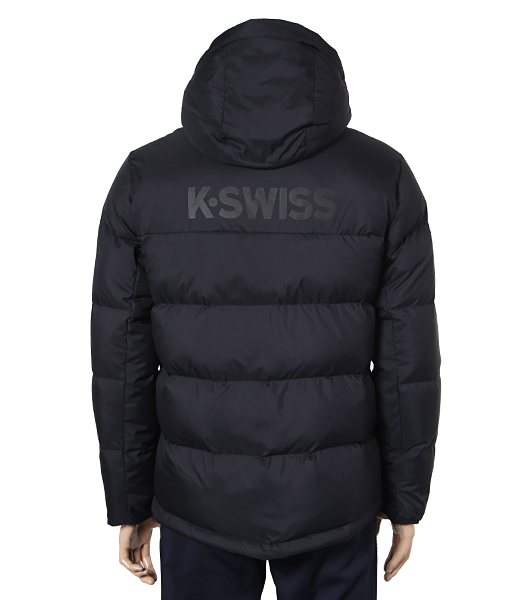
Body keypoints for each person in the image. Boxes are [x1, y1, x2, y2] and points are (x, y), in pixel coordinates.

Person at [90, 18, 441, 599]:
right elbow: (408, 359)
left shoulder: (146, 179)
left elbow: (121, 357)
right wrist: (405, 499)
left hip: (199, 500)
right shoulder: (381, 177)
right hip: (332, 500)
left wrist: (130, 500)